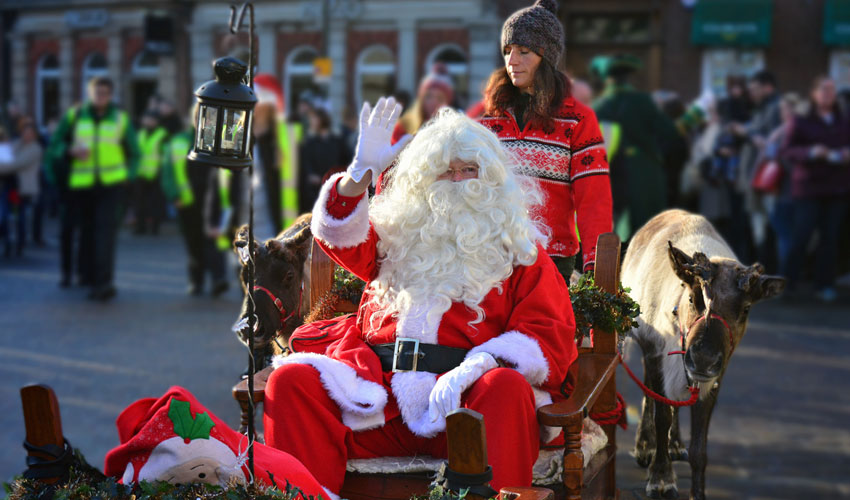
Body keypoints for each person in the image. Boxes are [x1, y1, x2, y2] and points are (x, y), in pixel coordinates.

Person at [262, 99, 577, 497]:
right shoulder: (398, 233)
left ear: (492, 180)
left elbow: (547, 336)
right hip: (377, 405)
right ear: (421, 181)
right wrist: (356, 178)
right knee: (291, 381)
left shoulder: (522, 252)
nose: (458, 182)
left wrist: (478, 367)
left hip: (466, 410)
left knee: (506, 387)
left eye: (469, 170)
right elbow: (341, 236)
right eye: (444, 171)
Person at [479, 0, 612, 279]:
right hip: (489, 257)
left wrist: (596, 270)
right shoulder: (484, 117)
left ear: (546, 57)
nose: (511, 61)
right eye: (507, 51)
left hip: (551, 260)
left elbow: (593, 201)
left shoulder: (578, 120)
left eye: (523, 52)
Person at [46, 77, 139, 300]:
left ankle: (104, 283)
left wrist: (129, 176)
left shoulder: (120, 119)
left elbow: (135, 153)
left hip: (111, 185)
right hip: (82, 186)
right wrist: (69, 151)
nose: (101, 97)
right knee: (87, 233)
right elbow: (56, 144)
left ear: (111, 95)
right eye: (97, 93)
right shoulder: (74, 116)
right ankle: (87, 276)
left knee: (105, 234)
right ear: (89, 93)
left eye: (105, 93)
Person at [591, 53, 677, 243]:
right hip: (645, 173)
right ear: (628, 77)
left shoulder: (597, 106)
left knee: (612, 232)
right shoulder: (643, 101)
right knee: (650, 233)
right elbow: (669, 132)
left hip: (610, 175)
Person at [780, 76, 850, 302]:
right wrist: (810, 152)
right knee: (802, 235)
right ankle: (788, 283)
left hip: (836, 187)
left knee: (830, 239)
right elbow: (788, 151)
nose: (828, 94)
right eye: (824, 89)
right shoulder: (801, 120)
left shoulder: (843, 119)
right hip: (808, 188)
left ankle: (824, 284)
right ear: (814, 94)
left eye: (831, 90)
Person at [161, 108, 227, 297]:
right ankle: (196, 280)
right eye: (198, 116)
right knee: (193, 242)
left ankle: (218, 279)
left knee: (215, 240)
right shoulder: (178, 141)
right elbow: (167, 173)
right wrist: (174, 196)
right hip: (187, 202)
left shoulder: (218, 141)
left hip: (213, 201)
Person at [0, 119, 43, 257]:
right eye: (25, 133)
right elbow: (6, 154)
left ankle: (20, 244)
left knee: (21, 217)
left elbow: (17, 164)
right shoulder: (16, 144)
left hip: (23, 188)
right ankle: (7, 243)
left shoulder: (35, 148)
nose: (27, 135)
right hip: (9, 186)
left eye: (30, 133)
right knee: (4, 216)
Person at [391, 63, 455, 144]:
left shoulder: (453, 129)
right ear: (421, 98)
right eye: (429, 96)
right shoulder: (404, 126)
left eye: (440, 98)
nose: (434, 102)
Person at [298, 106, 344, 213]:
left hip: (334, 189)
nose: (311, 122)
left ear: (321, 119)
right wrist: (311, 175)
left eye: (313, 119)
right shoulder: (310, 143)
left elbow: (344, 161)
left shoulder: (336, 141)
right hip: (315, 191)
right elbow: (306, 163)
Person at [133, 111, 167, 235]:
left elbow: (165, 154)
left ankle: (155, 228)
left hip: (156, 174)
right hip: (141, 174)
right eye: (147, 119)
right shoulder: (140, 134)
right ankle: (140, 227)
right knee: (139, 203)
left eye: (151, 119)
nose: (148, 121)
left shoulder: (162, 135)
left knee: (155, 203)